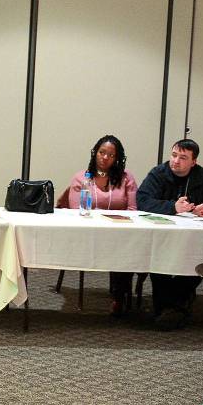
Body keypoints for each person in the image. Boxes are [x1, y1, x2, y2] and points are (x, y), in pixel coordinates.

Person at [137, 138, 203, 330]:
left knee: (200, 261)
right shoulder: (158, 173)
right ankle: (175, 307)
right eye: (174, 155)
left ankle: (169, 307)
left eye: (183, 158)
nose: (175, 161)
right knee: (158, 262)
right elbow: (142, 200)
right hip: (162, 238)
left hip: (193, 240)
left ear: (193, 162)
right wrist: (172, 207)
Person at [65, 135, 139, 315]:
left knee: (126, 250)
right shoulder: (82, 178)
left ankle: (119, 298)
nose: (105, 157)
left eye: (111, 155)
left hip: (120, 235)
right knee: (121, 250)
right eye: (102, 152)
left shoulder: (126, 178)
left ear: (117, 158)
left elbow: (133, 209)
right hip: (88, 234)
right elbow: (76, 210)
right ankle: (120, 295)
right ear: (95, 153)